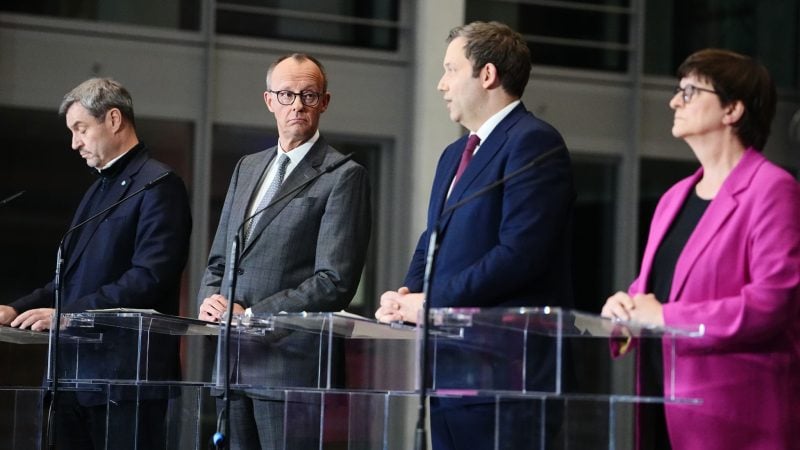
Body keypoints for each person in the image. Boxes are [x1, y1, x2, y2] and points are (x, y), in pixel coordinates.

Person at [375, 21, 574, 450]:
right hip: (449, 370)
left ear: (487, 75)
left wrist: (431, 302)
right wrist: (406, 292)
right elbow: (434, 237)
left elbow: (519, 254)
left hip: (507, 374)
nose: (441, 84)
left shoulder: (534, 142)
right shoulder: (454, 154)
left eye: (450, 69)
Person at [601, 49, 800, 450]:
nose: (675, 101)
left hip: (734, 420)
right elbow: (653, 288)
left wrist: (666, 316)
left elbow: (771, 303)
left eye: (690, 91)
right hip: (662, 405)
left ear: (732, 110)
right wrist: (623, 309)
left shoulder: (772, 190)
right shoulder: (674, 197)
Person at [0, 77, 193, 450]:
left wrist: (67, 314)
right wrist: (15, 308)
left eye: (81, 129)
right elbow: (69, 280)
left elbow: (149, 278)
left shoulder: (159, 185)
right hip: (72, 377)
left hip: (124, 381)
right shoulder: (97, 188)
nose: (75, 143)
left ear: (114, 120)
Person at [197, 53, 371, 450]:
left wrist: (255, 317)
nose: (297, 105)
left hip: (291, 370)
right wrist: (208, 300)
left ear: (324, 103)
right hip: (233, 366)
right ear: (269, 100)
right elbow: (220, 259)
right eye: (287, 94)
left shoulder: (343, 175)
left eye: (309, 95)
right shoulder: (248, 167)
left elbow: (335, 281)